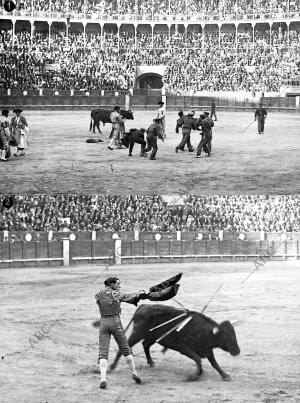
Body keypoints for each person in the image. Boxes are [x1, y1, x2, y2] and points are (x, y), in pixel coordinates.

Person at [95, 277, 146, 389]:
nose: (119, 286)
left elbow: (102, 301)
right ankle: (134, 373)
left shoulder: (98, 294)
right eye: (117, 284)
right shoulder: (115, 294)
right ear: (111, 284)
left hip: (103, 323)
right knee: (125, 347)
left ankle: (103, 379)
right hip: (115, 322)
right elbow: (128, 296)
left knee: (103, 351)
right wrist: (140, 293)